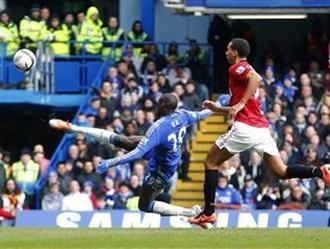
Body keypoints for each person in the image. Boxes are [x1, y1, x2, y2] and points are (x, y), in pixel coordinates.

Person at [188, 38, 330, 228]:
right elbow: (239, 105)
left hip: (245, 128)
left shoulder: (237, 68)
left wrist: (239, 103)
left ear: (235, 52)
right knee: (282, 171)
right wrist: (217, 109)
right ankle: (319, 171)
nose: (225, 53)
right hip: (261, 129)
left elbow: (256, 79)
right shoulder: (243, 75)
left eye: (228, 50)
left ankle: (208, 213)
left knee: (210, 162)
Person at [50, 93, 231, 218]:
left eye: (159, 103)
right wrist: (220, 104)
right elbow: (202, 115)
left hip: (162, 169)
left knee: (144, 205)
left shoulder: (159, 127)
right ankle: (74, 128)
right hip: (163, 152)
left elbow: (138, 154)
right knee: (124, 141)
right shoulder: (182, 114)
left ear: (163, 106)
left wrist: (111, 163)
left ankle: (189, 213)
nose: (156, 105)